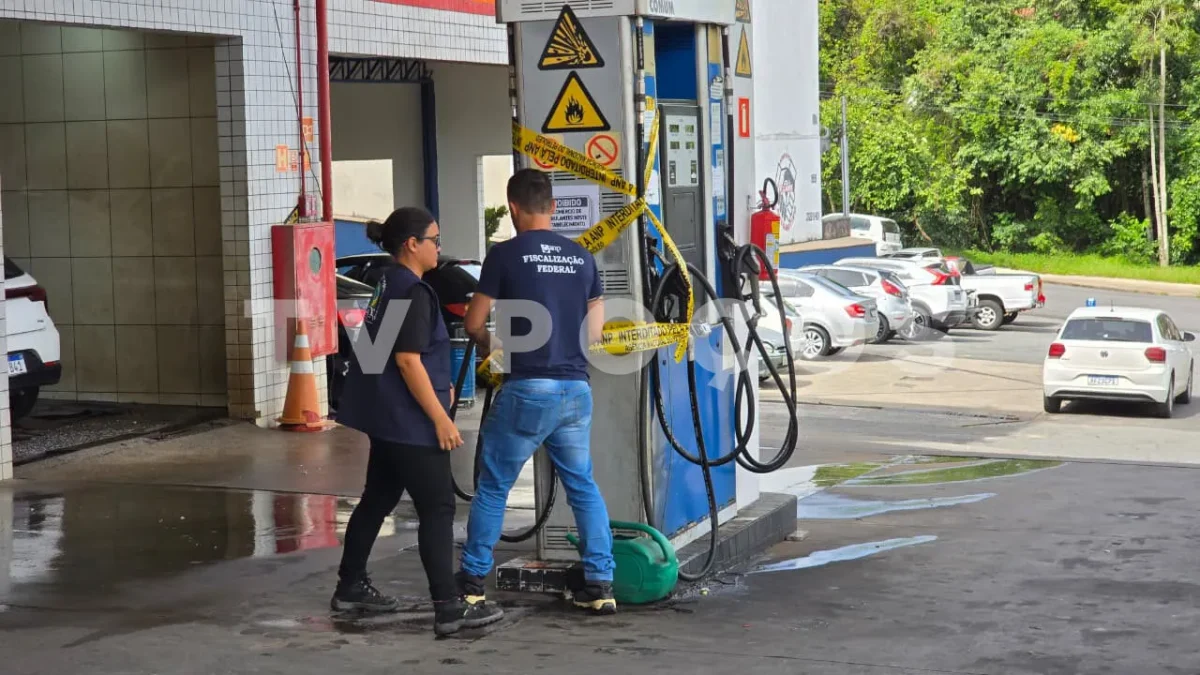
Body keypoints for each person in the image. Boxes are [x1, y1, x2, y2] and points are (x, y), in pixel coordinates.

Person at [331, 206, 504, 636]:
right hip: (409, 421)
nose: (439, 247)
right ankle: (448, 607)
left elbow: (378, 356)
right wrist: (440, 419)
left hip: (387, 417)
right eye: (434, 239)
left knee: (377, 499)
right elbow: (407, 361)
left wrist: (434, 380)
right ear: (412, 244)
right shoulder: (412, 292)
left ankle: (350, 586)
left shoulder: (389, 282)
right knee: (438, 508)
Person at [457, 169, 617, 614]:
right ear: (552, 207)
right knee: (582, 486)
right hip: (575, 390)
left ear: (512, 208)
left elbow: (473, 323)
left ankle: (471, 580)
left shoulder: (504, 256)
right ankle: (601, 584)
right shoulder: (583, 258)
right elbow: (596, 336)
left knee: (494, 487)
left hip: (528, 388)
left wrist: (498, 348)